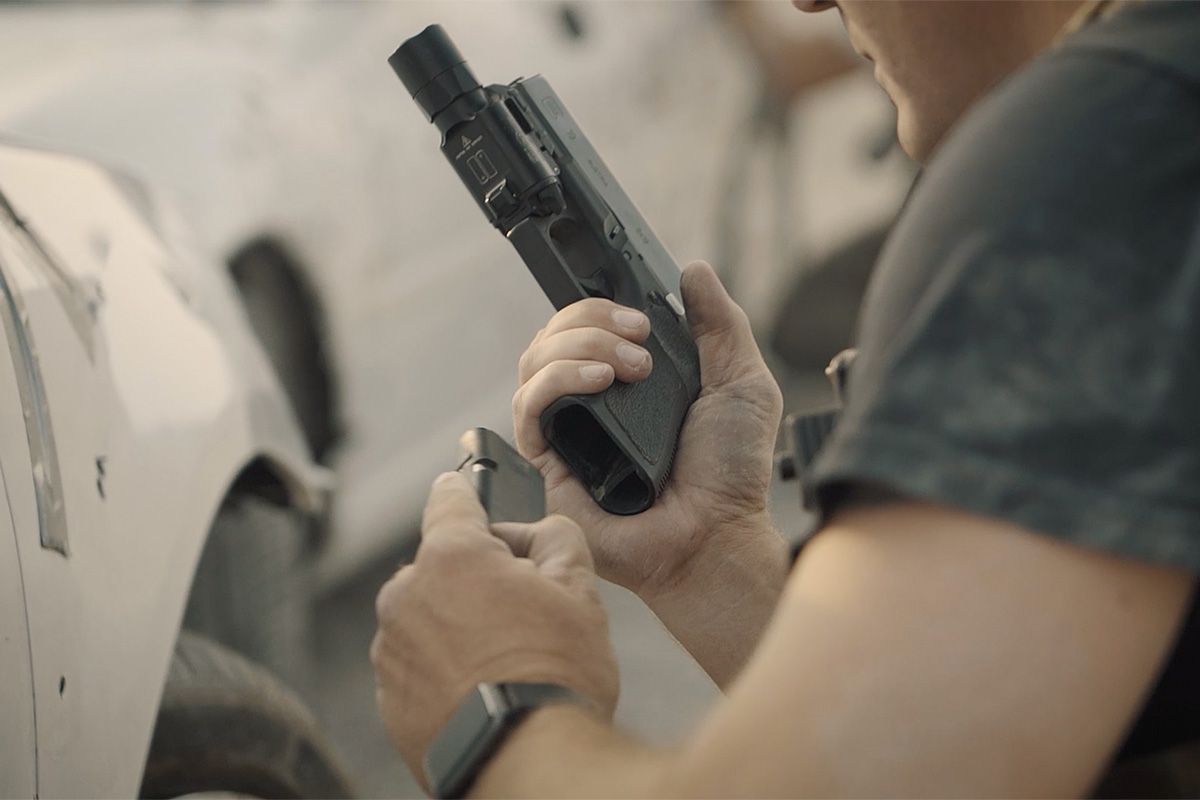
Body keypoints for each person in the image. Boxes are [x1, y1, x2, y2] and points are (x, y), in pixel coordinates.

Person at [371, 1, 1200, 795]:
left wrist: (494, 706)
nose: (807, 2)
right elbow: (960, 744)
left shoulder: (1102, 160)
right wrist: (705, 553)